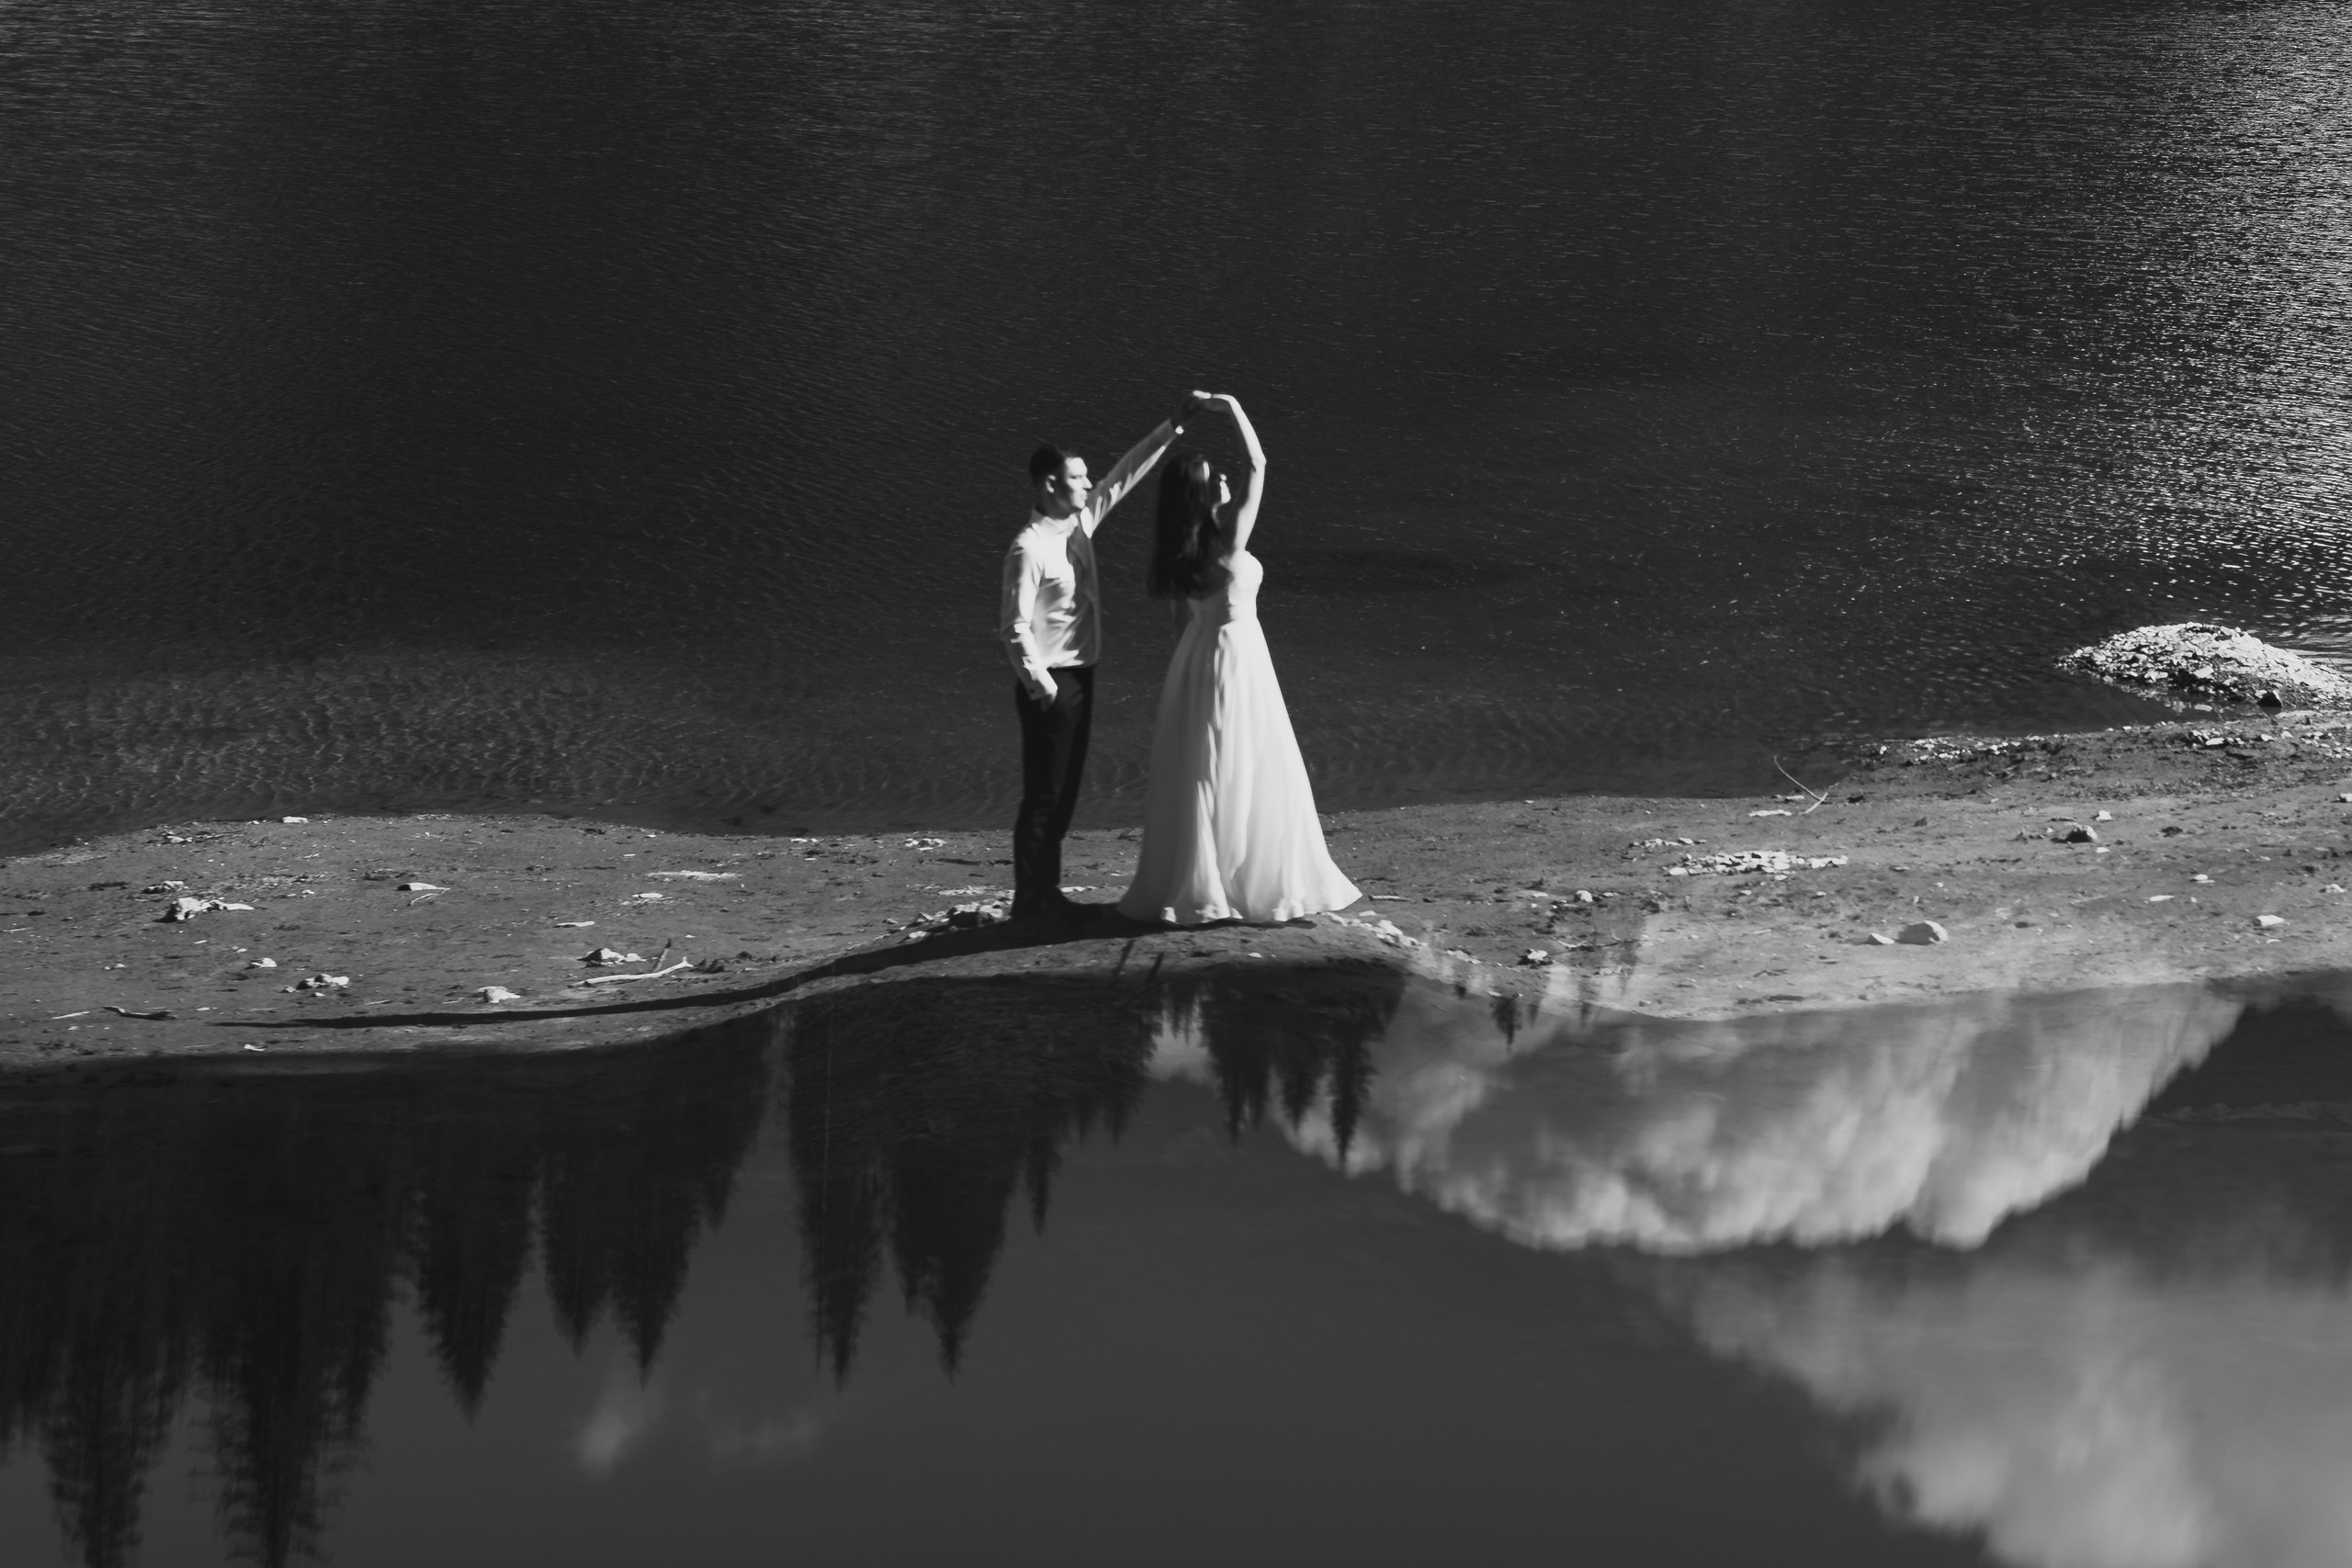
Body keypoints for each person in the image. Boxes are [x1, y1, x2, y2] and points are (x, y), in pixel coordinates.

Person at [1116, 394, 1362, 924]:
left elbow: (1179, 624)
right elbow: (1258, 464)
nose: (1224, 477)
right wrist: (1232, 408)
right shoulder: (1227, 541)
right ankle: (1241, 881)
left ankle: (1206, 880)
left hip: (1197, 659)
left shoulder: (1182, 550)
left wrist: (1185, 681)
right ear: (1200, 494)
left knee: (1206, 768)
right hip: (1237, 656)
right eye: (1213, 475)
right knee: (1250, 764)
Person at [1003, 395, 1204, 924]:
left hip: (1082, 677)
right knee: (1044, 795)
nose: (1089, 484)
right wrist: (1045, 688)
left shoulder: (1080, 525)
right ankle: (1030, 902)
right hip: (1052, 684)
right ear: (1051, 485)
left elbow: (1123, 476)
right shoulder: (1029, 548)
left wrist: (1173, 426)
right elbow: (1013, 627)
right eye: (1078, 477)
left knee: (1066, 792)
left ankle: (1046, 893)